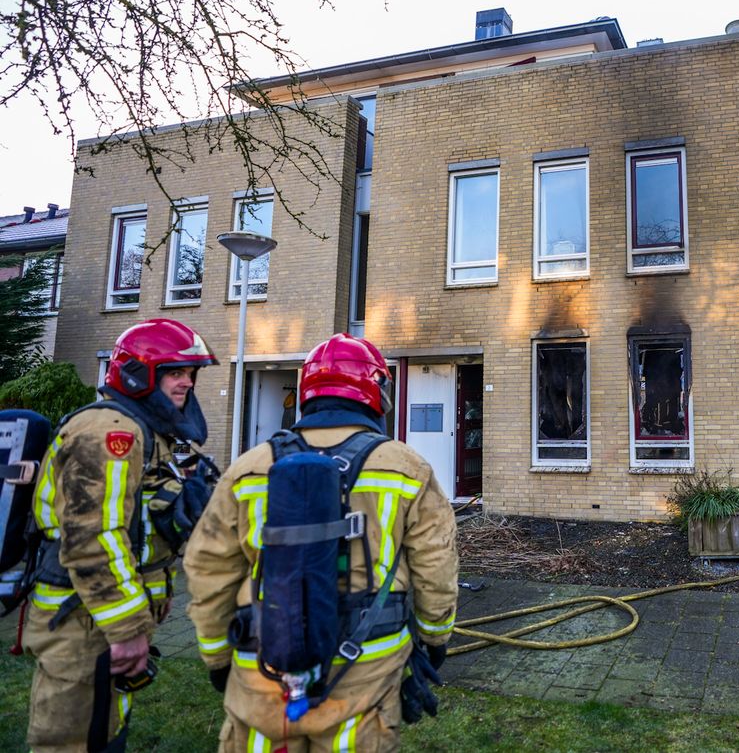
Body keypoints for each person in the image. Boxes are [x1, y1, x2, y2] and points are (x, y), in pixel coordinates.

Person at [184, 333, 459, 751]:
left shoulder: (249, 467)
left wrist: (217, 658)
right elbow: (436, 566)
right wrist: (435, 638)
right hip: (366, 668)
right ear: (376, 393)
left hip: (264, 665)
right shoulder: (406, 468)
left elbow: (208, 569)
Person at [24, 318, 218, 752]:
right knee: (73, 742)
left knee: (105, 733)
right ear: (136, 373)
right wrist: (128, 626)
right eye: (174, 372)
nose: (187, 382)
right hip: (81, 620)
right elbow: (93, 536)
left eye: (191, 373)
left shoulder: (147, 432)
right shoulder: (109, 431)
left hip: (99, 617)